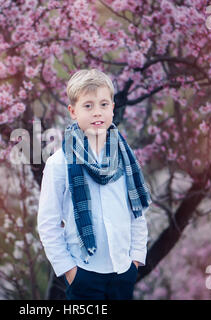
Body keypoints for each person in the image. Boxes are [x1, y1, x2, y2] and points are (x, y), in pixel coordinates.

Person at [37, 69, 152, 300]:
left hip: (122, 271)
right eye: (88, 106)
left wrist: (135, 261)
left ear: (112, 108)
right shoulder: (59, 163)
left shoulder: (125, 159)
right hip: (84, 274)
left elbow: (136, 213)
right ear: (73, 111)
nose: (97, 112)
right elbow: (48, 224)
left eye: (103, 104)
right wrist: (71, 272)